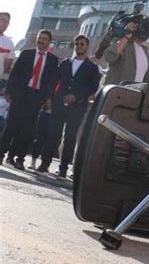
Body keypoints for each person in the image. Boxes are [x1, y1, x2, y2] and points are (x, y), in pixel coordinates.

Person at [37, 34, 101, 178]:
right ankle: (44, 164)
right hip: (59, 104)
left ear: (87, 46)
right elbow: (53, 82)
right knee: (53, 134)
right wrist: (49, 98)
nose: (79, 46)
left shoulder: (92, 67)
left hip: (77, 107)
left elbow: (93, 88)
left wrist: (76, 97)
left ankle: (63, 168)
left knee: (70, 137)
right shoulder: (65, 63)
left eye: (82, 44)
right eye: (77, 44)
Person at [0, 30, 58, 170]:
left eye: (44, 39)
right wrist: (9, 92)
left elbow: (51, 82)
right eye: (39, 38)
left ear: (49, 42)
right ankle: (1, 154)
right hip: (20, 94)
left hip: (36, 97)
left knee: (26, 130)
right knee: (11, 125)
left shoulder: (53, 60)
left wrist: (47, 99)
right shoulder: (26, 53)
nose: (41, 41)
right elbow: (14, 74)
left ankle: (17, 158)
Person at [0, 12, 14, 80]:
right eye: (1, 19)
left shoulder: (9, 43)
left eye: (6, 21)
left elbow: (6, 66)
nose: (3, 23)